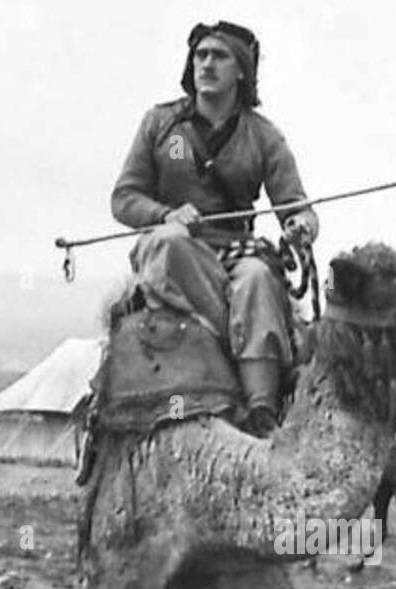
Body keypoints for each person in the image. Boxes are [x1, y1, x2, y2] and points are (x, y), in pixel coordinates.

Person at [111, 20, 318, 436]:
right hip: (174, 250)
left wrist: (299, 226)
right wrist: (163, 215)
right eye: (200, 55)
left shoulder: (263, 136)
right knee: (171, 243)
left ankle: (261, 411)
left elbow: (297, 208)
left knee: (259, 277)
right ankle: (233, 340)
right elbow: (124, 199)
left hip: (236, 251)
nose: (206, 64)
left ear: (241, 70)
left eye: (218, 56)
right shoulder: (161, 124)